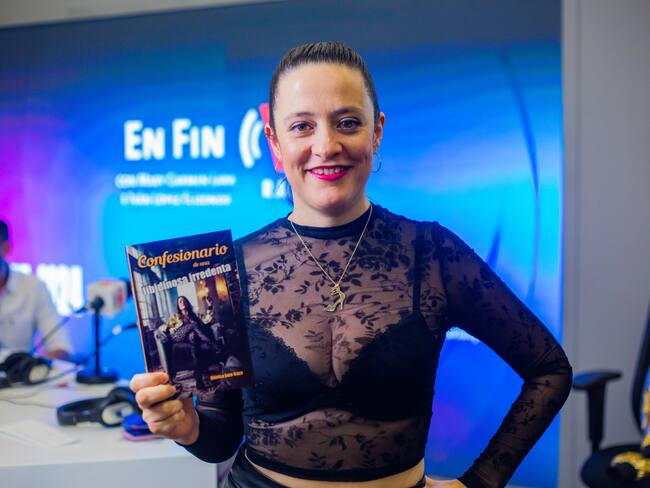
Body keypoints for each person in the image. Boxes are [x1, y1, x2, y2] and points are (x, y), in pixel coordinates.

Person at [130, 42, 572, 488]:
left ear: (376, 132)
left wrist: (480, 482)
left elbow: (549, 369)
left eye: (347, 122)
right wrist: (187, 427)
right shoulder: (232, 270)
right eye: (302, 126)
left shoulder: (433, 254)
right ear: (275, 143)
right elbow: (221, 439)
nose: (326, 145)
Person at [0, 219, 71, 361]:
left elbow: (61, 348)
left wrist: (29, 367)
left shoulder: (33, 287)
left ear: (6, 249)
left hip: (19, 374)